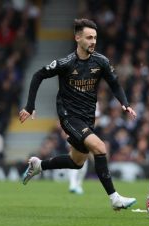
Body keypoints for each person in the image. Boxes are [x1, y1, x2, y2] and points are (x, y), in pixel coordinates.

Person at [19, 18, 137, 211]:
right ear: (77, 38)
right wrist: (30, 106)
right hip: (69, 116)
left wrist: (125, 104)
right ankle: (115, 198)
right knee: (100, 147)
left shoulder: (101, 62)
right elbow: (38, 75)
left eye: (95, 38)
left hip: (88, 117)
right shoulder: (66, 63)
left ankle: (39, 165)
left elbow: (114, 83)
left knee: (76, 162)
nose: (93, 41)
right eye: (89, 37)